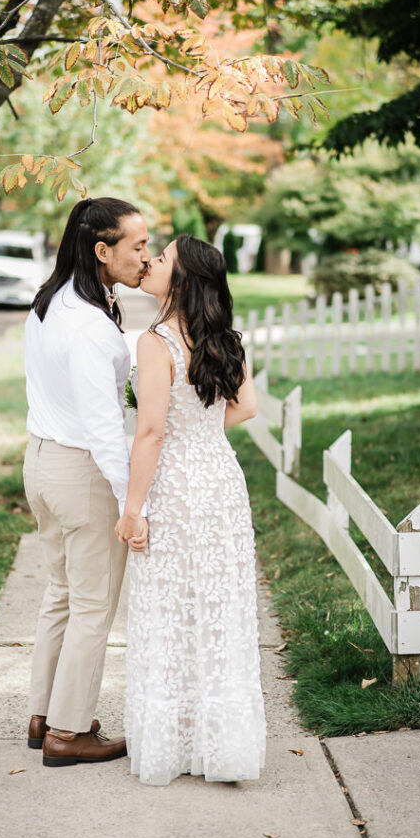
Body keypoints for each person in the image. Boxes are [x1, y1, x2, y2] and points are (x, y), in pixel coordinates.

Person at [116, 235, 267, 786]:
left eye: (163, 258)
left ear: (180, 279)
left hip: (177, 489)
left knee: (173, 608)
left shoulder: (156, 343)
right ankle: (222, 746)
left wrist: (133, 509)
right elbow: (245, 407)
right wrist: (200, 434)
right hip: (222, 483)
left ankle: (174, 742)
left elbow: (151, 432)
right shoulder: (223, 338)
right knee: (217, 608)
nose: (151, 261)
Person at [23, 197, 151, 767]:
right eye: (138, 246)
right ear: (102, 251)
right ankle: (69, 733)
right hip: (81, 470)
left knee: (62, 595)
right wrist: (131, 503)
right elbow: (104, 427)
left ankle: (43, 714)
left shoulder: (50, 302)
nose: (146, 256)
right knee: (94, 605)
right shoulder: (91, 329)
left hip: (42, 462)